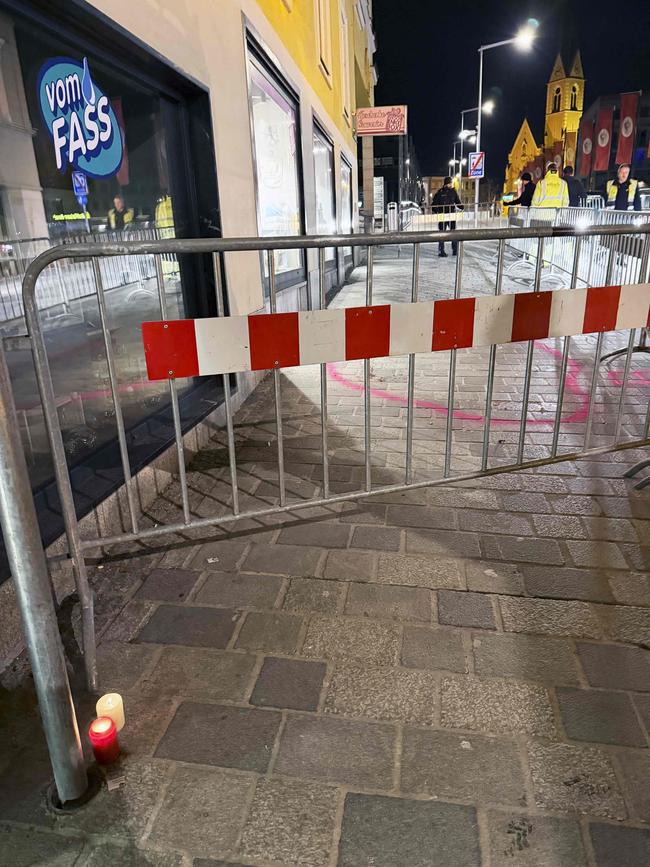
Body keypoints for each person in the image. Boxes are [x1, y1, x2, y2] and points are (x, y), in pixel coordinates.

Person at [431, 176, 463, 257]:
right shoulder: (441, 192)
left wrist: (462, 207)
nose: (450, 184)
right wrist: (437, 212)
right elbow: (434, 204)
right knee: (444, 234)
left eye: (451, 183)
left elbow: (458, 202)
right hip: (444, 215)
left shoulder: (451, 192)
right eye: (449, 183)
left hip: (450, 215)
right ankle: (442, 251)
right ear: (446, 184)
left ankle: (454, 250)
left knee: (451, 233)